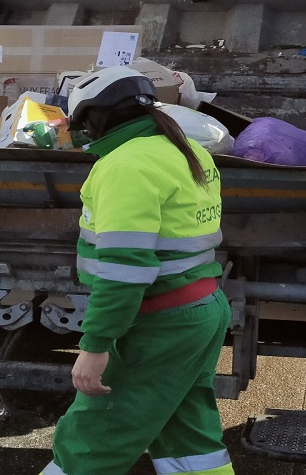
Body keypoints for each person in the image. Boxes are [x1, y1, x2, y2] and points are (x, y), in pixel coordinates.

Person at [40, 66, 234, 475]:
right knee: (188, 437)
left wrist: (94, 347)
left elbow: (124, 270)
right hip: (200, 310)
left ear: (96, 118)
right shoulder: (186, 150)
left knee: (91, 441)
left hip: (157, 323)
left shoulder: (124, 165)